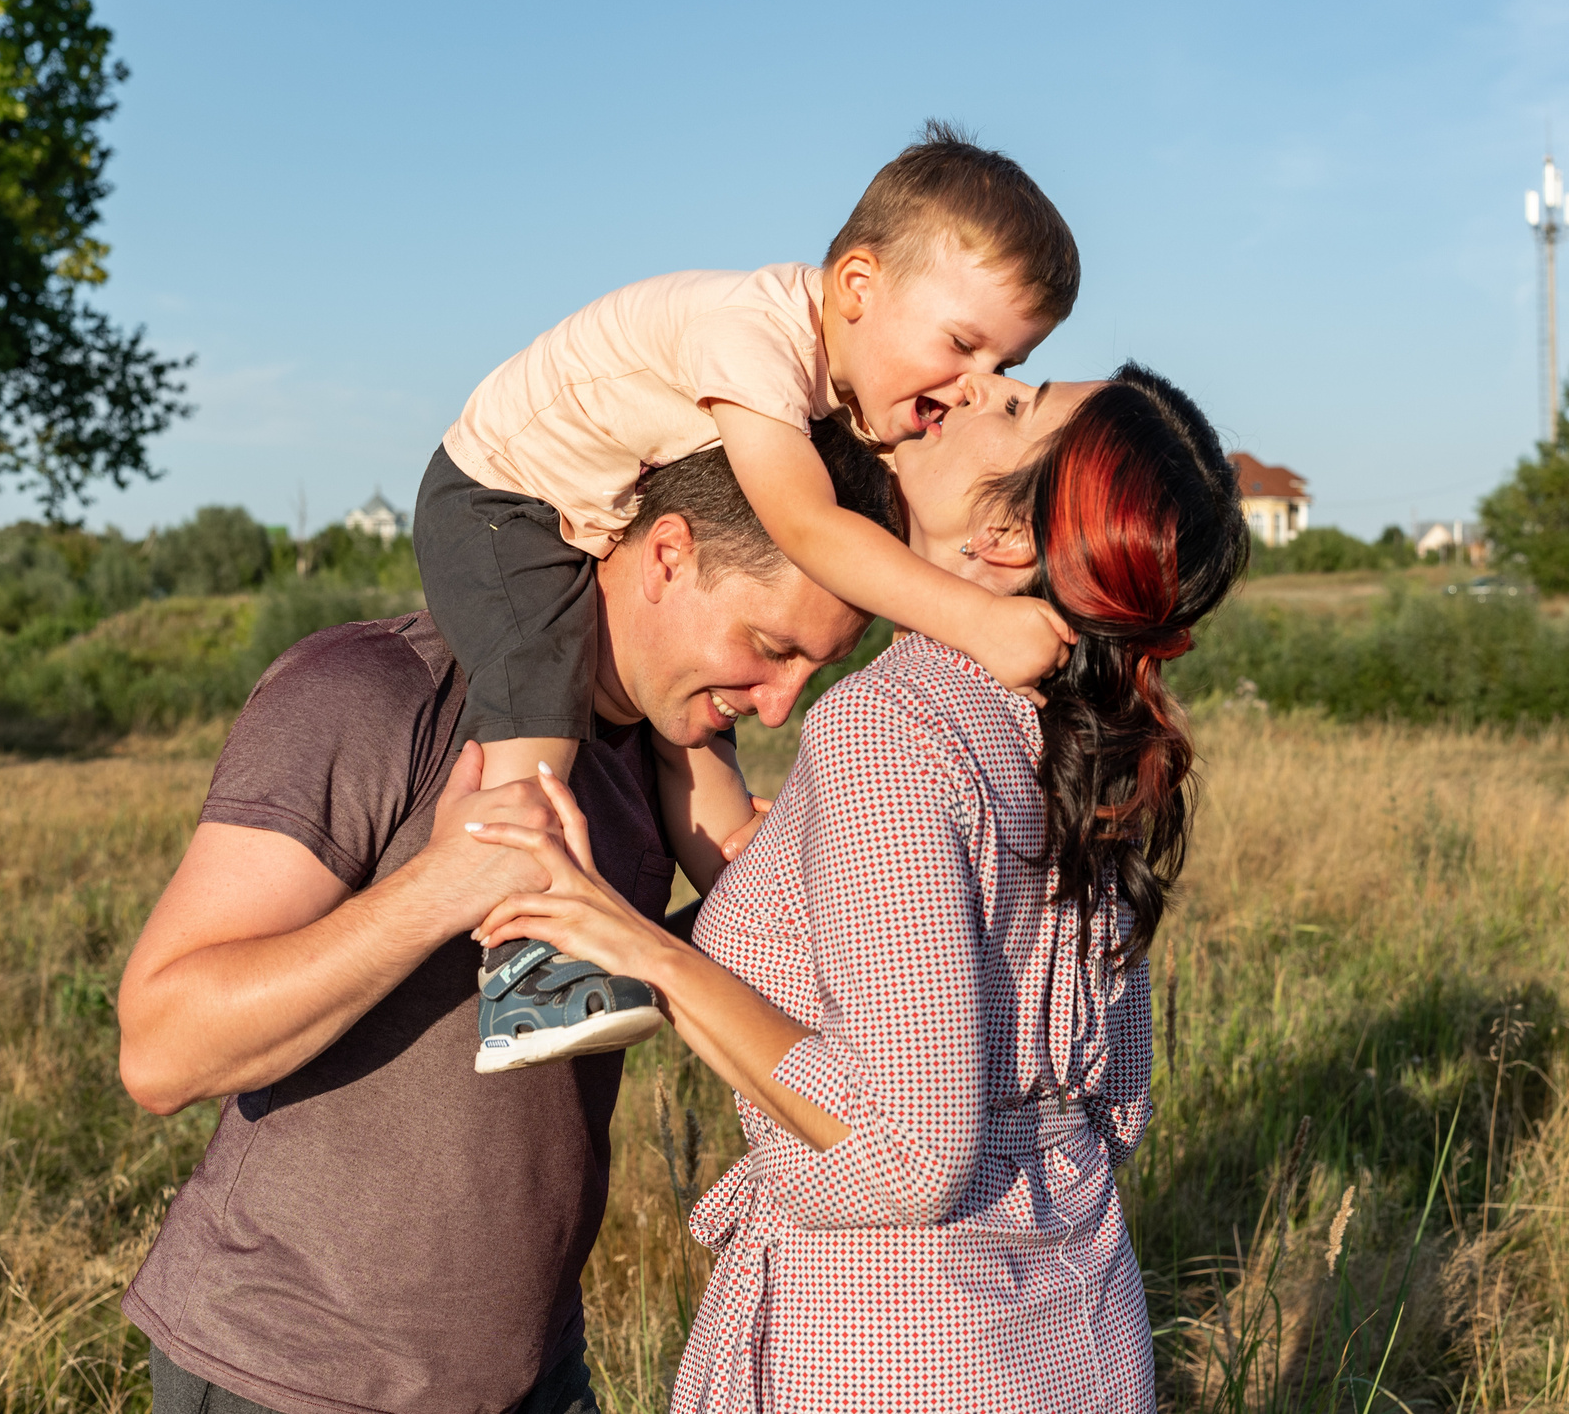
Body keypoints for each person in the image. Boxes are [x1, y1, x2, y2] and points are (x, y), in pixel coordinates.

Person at [470, 363, 1249, 1413]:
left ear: (1005, 537)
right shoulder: (1081, 734)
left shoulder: (892, 725)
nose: (974, 385)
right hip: (1077, 1324)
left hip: (895, 1340)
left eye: (1016, 404)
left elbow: (907, 1155)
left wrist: (644, 949)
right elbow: (1114, 1104)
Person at [114, 433, 893, 1414]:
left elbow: (621, 978)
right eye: (772, 648)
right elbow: (161, 1049)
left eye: (814, 669)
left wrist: (775, 896)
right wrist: (440, 886)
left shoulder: (660, 752)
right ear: (667, 554)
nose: (778, 707)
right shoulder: (377, 689)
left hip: (535, 1371)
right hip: (292, 1373)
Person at [415, 124, 1083, 1071]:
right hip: (499, 501)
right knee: (539, 695)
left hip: (589, 513)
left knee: (695, 735)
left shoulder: (843, 379)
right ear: (858, 286)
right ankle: (524, 960)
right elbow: (806, 526)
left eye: (1003, 368)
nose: (971, 388)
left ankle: (748, 882)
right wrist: (978, 621)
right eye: (962, 344)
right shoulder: (755, 338)